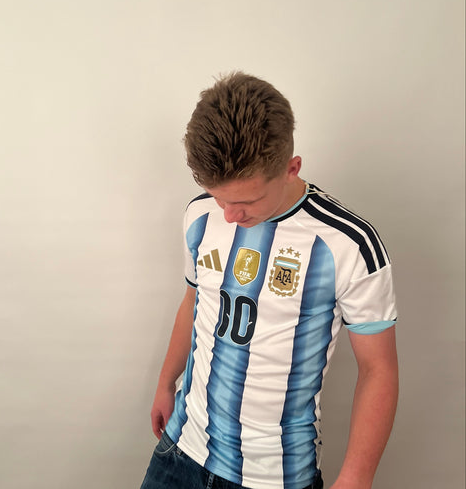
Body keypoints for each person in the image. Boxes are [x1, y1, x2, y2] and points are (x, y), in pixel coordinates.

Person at [140, 72, 398, 489]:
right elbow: (194, 302)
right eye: (220, 198)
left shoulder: (348, 244)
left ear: (291, 169)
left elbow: (378, 369)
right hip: (181, 447)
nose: (229, 215)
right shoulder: (200, 214)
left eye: (246, 201)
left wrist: (356, 477)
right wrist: (165, 382)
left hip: (274, 475)